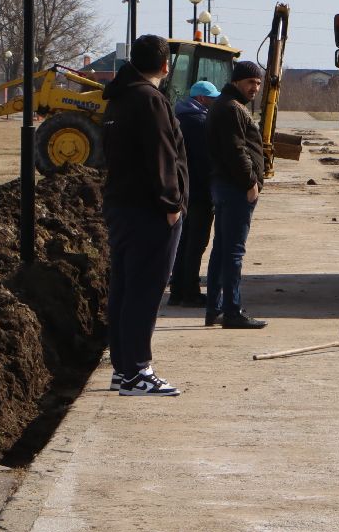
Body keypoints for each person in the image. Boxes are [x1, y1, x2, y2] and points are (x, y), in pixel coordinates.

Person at [99, 34, 188, 396]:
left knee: (124, 288)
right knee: (145, 290)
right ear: (166, 66)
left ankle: (123, 368)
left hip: (122, 206)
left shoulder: (118, 98)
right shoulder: (150, 100)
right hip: (150, 211)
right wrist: (171, 205)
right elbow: (161, 154)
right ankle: (137, 371)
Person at [206, 60, 269, 329]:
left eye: (257, 83)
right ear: (236, 82)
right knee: (233, 252)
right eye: (249, 82)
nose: (254, 87)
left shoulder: (225, 105)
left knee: (221, 249)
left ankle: (215, 309)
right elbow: (237, 151)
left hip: (224, 186)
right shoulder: (232, 108)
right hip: (234, 188)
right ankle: (232, 311)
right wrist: (250, 182)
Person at [166, 80, 220, 306]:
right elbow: (206, 161)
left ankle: (177, 291)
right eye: (212, 98)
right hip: (199, 192)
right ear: (201, 99)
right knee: (196, 244)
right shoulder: (199, 123)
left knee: (182, 242)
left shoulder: (177, 119)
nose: (214, 102)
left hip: (183, 192)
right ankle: (190, 292)